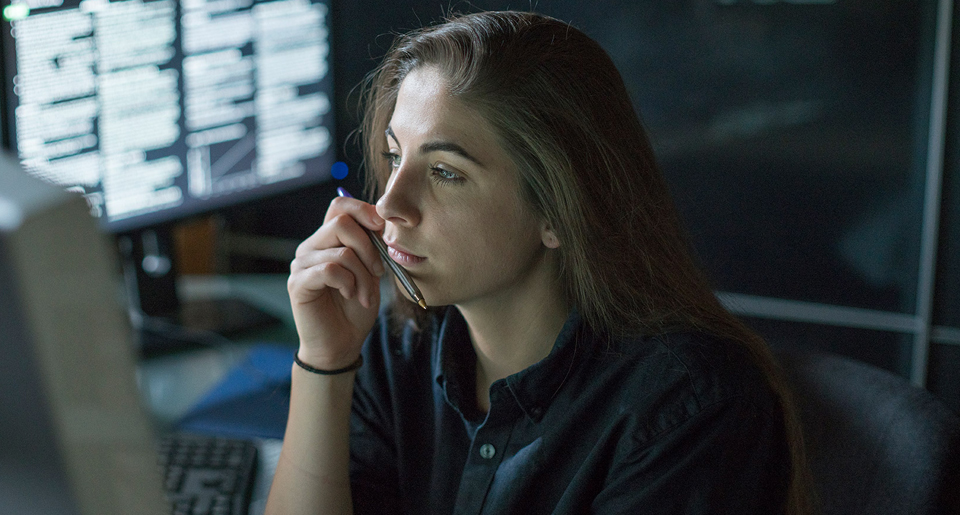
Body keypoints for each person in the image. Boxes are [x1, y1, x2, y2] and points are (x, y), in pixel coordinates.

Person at [266, 10, 813, 515]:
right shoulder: (395, 347)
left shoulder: (688, 408)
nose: (389, 205)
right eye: (394, 156)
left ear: (558, 209)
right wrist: (324, 362)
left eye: (445, 173)